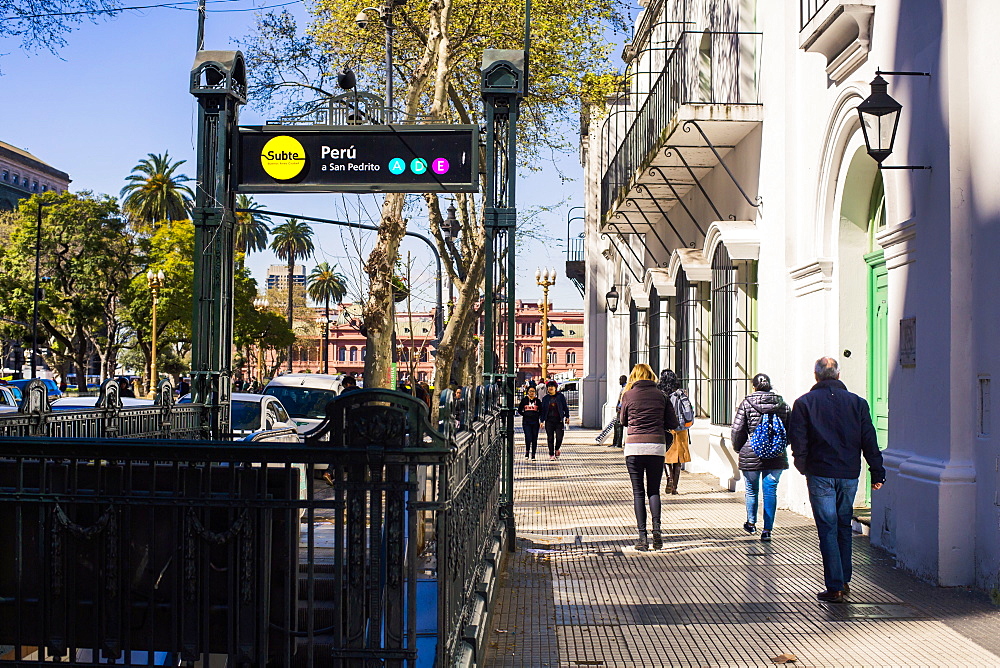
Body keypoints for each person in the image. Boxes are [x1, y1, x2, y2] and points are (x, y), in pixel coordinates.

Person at [788, 357, 885, 603]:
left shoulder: (804, 403)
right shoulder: (858, 403)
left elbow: (798, 440)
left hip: (820, 473)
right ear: (838, 376)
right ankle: (843, 580)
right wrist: (877, 471)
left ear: (816, 376)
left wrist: (803, 465)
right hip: (849, 473)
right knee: (843, 526)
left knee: (827, 529)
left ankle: (834, 586)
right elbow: (869, 440)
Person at [619, 363, 679, 551]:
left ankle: (642, 537)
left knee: (638, 493)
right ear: (651, 376)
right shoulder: (662, 395)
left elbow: (622, 421)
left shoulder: (628, 395)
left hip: (634, 447)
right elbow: (673, 422)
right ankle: (657, 531)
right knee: (653, 491)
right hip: (656, 447)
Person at [731, 373, 791, 542]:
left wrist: (739, 448)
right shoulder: (782, 405)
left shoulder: (747, 403)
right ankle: (767, 530)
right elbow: (791, 431)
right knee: (770, 491)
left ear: (754, 387)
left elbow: (737, 430)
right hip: (776, 456)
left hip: (751, 453)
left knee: (751, 490)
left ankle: (751, 523)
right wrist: (778, 446)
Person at [656, 370, 693, 494]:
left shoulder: (660, 394)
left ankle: (668, 478)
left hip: (666, 429)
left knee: (666, 457)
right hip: (680, 429)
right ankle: (674, 487)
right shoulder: (680, 394)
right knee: (678, 460)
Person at [323, 375, 361, 486]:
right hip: (357, 430)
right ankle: (350, 480)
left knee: (338, 452)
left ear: (347, 384)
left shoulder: (343, 396)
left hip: (341, 429)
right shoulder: (361, 395)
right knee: (353, 456)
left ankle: (330, 472)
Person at [539, 381, 570, 460]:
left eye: (552, 386)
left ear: (555, 388)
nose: (550, 388)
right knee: (550, 437)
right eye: (549, 386)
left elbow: (565, 407)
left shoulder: (560, 396)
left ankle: (557, 448)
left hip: (559, 420)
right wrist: (541, 421)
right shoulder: (545, 398)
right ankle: (551, 454)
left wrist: (567, 416)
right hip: (549, 420)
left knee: (559, 437)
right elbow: (542, 410)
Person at [516, 385, 542, 459]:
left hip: (535, 422)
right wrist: (525, 414)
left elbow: (541, 410)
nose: (531, 393)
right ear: (527, 392)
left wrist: (537, 415)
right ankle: (527, 451)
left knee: (534, 438)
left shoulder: (538, 401)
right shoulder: (524, 400)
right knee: (528, 437)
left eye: (533, 391)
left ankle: (533, 454)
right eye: (530, 391)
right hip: (526, 422)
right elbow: (519, 410)